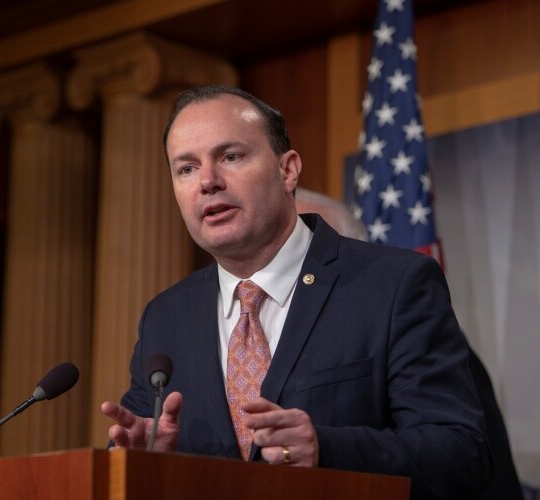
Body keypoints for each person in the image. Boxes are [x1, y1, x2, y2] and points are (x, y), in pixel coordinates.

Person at [101, 85, 492, 499]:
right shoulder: (166, 317)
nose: (208, 182)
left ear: (287, 170)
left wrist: (327, 448)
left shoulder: (393, 285)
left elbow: (463, 454)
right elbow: (130, 449)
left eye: (231, 157)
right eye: (186, 169)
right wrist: (146, 460)